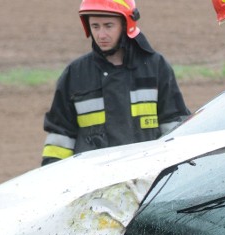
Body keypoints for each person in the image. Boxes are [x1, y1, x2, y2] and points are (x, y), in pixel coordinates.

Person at [41, 0, 190, 166]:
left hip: (147, 174)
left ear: (126, 25)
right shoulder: (75, 74)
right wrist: (52, 173)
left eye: (108, 26)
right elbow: (60, 136)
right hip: (94, 179)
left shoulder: (155, 68)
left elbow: (174, 126)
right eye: (95, 26)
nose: (101, 35)